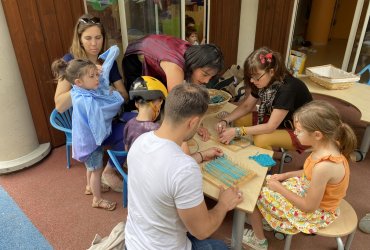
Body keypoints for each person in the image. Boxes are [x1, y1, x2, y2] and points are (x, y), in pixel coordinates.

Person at [125, 83, 243, 249]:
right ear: (193, 121)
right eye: (200, 122)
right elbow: (202, 231)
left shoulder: (141, 141)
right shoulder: (184, 169)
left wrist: (201, 156)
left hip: (134, 242)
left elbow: (163, 169)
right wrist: (223, 204)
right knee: (221, 246)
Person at [242, 100, 357, 250]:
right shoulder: (328, 145)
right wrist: (285, 176)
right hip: (309, 192)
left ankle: (259, 241)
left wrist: (279, 188)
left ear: (317, 135)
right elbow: (309, 172)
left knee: (255, 194)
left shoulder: (325, 166)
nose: (295, 133)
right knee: (266, 181)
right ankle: (269, 217)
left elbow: (309, 206)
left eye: (299, 130)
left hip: (317, 212)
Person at [54, 14, 132, 192]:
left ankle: (110, 171)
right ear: (79, 40)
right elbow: (59, 105)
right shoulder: (71, 63)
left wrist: (106, 87)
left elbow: (124, 95)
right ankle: (102, 179)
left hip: (107, 122)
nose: (94, 43)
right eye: (88, 38)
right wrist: (84, 82)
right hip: (87, 127)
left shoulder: (107, 62)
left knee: (133, 128)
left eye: (98, 38)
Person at [52, 54, 124, 211]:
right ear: (78, 82)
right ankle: (97, 199)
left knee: (90, 168)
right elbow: (99, 116)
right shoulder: (85, 99)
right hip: (90, 143)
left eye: (96, 74)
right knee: (96, 171)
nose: (97, 78)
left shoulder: (79, 92)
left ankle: (89, 187)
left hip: (84, 141)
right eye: (92, 76)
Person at [216, 47, 313, 153]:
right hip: (280, 120)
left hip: (302, 131)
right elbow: (246, 106)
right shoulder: (264, 81)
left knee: (260, 139)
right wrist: (225, 120)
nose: (252, 81)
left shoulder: (287, 88)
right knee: (239, 120)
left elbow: (271, 126)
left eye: (256, 77)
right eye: (250, 77)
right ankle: (258, 149)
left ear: (272, 71)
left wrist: (237, 131)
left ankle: (266, 165)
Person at [123, 76, 168, 151]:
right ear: (156, 103)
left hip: (131, 162)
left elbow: (126, 149)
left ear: (136, 104)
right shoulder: (157, 129)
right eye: (160, 101)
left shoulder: (129, 124)